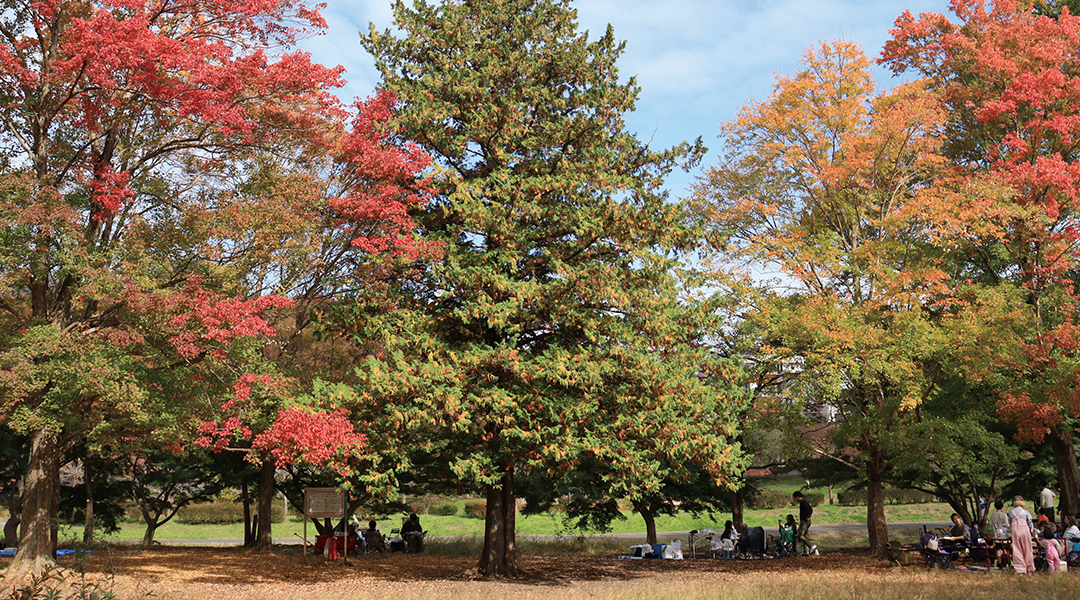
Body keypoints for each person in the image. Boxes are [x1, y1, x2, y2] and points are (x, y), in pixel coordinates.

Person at [1009, 496, 1036, 574]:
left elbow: (1008, 523)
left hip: (1015, 532)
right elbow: (1030, 523)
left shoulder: (1011, 512)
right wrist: (1032, 531)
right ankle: (1029, 568)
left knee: (1017, 550)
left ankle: (1020, 569)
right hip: (1025, 531)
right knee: (1027, 549)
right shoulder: (1025, 512)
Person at [792, 491, 817, 556]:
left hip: (805, 521)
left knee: (800, 535)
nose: (795, 500)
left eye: (795, 498)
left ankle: (811, 546)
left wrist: (808, 516)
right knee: (805, 535)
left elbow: (809, 509)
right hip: (805, 521)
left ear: (797, 497)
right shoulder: (803, 501)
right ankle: (806, 551)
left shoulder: (803, 502)